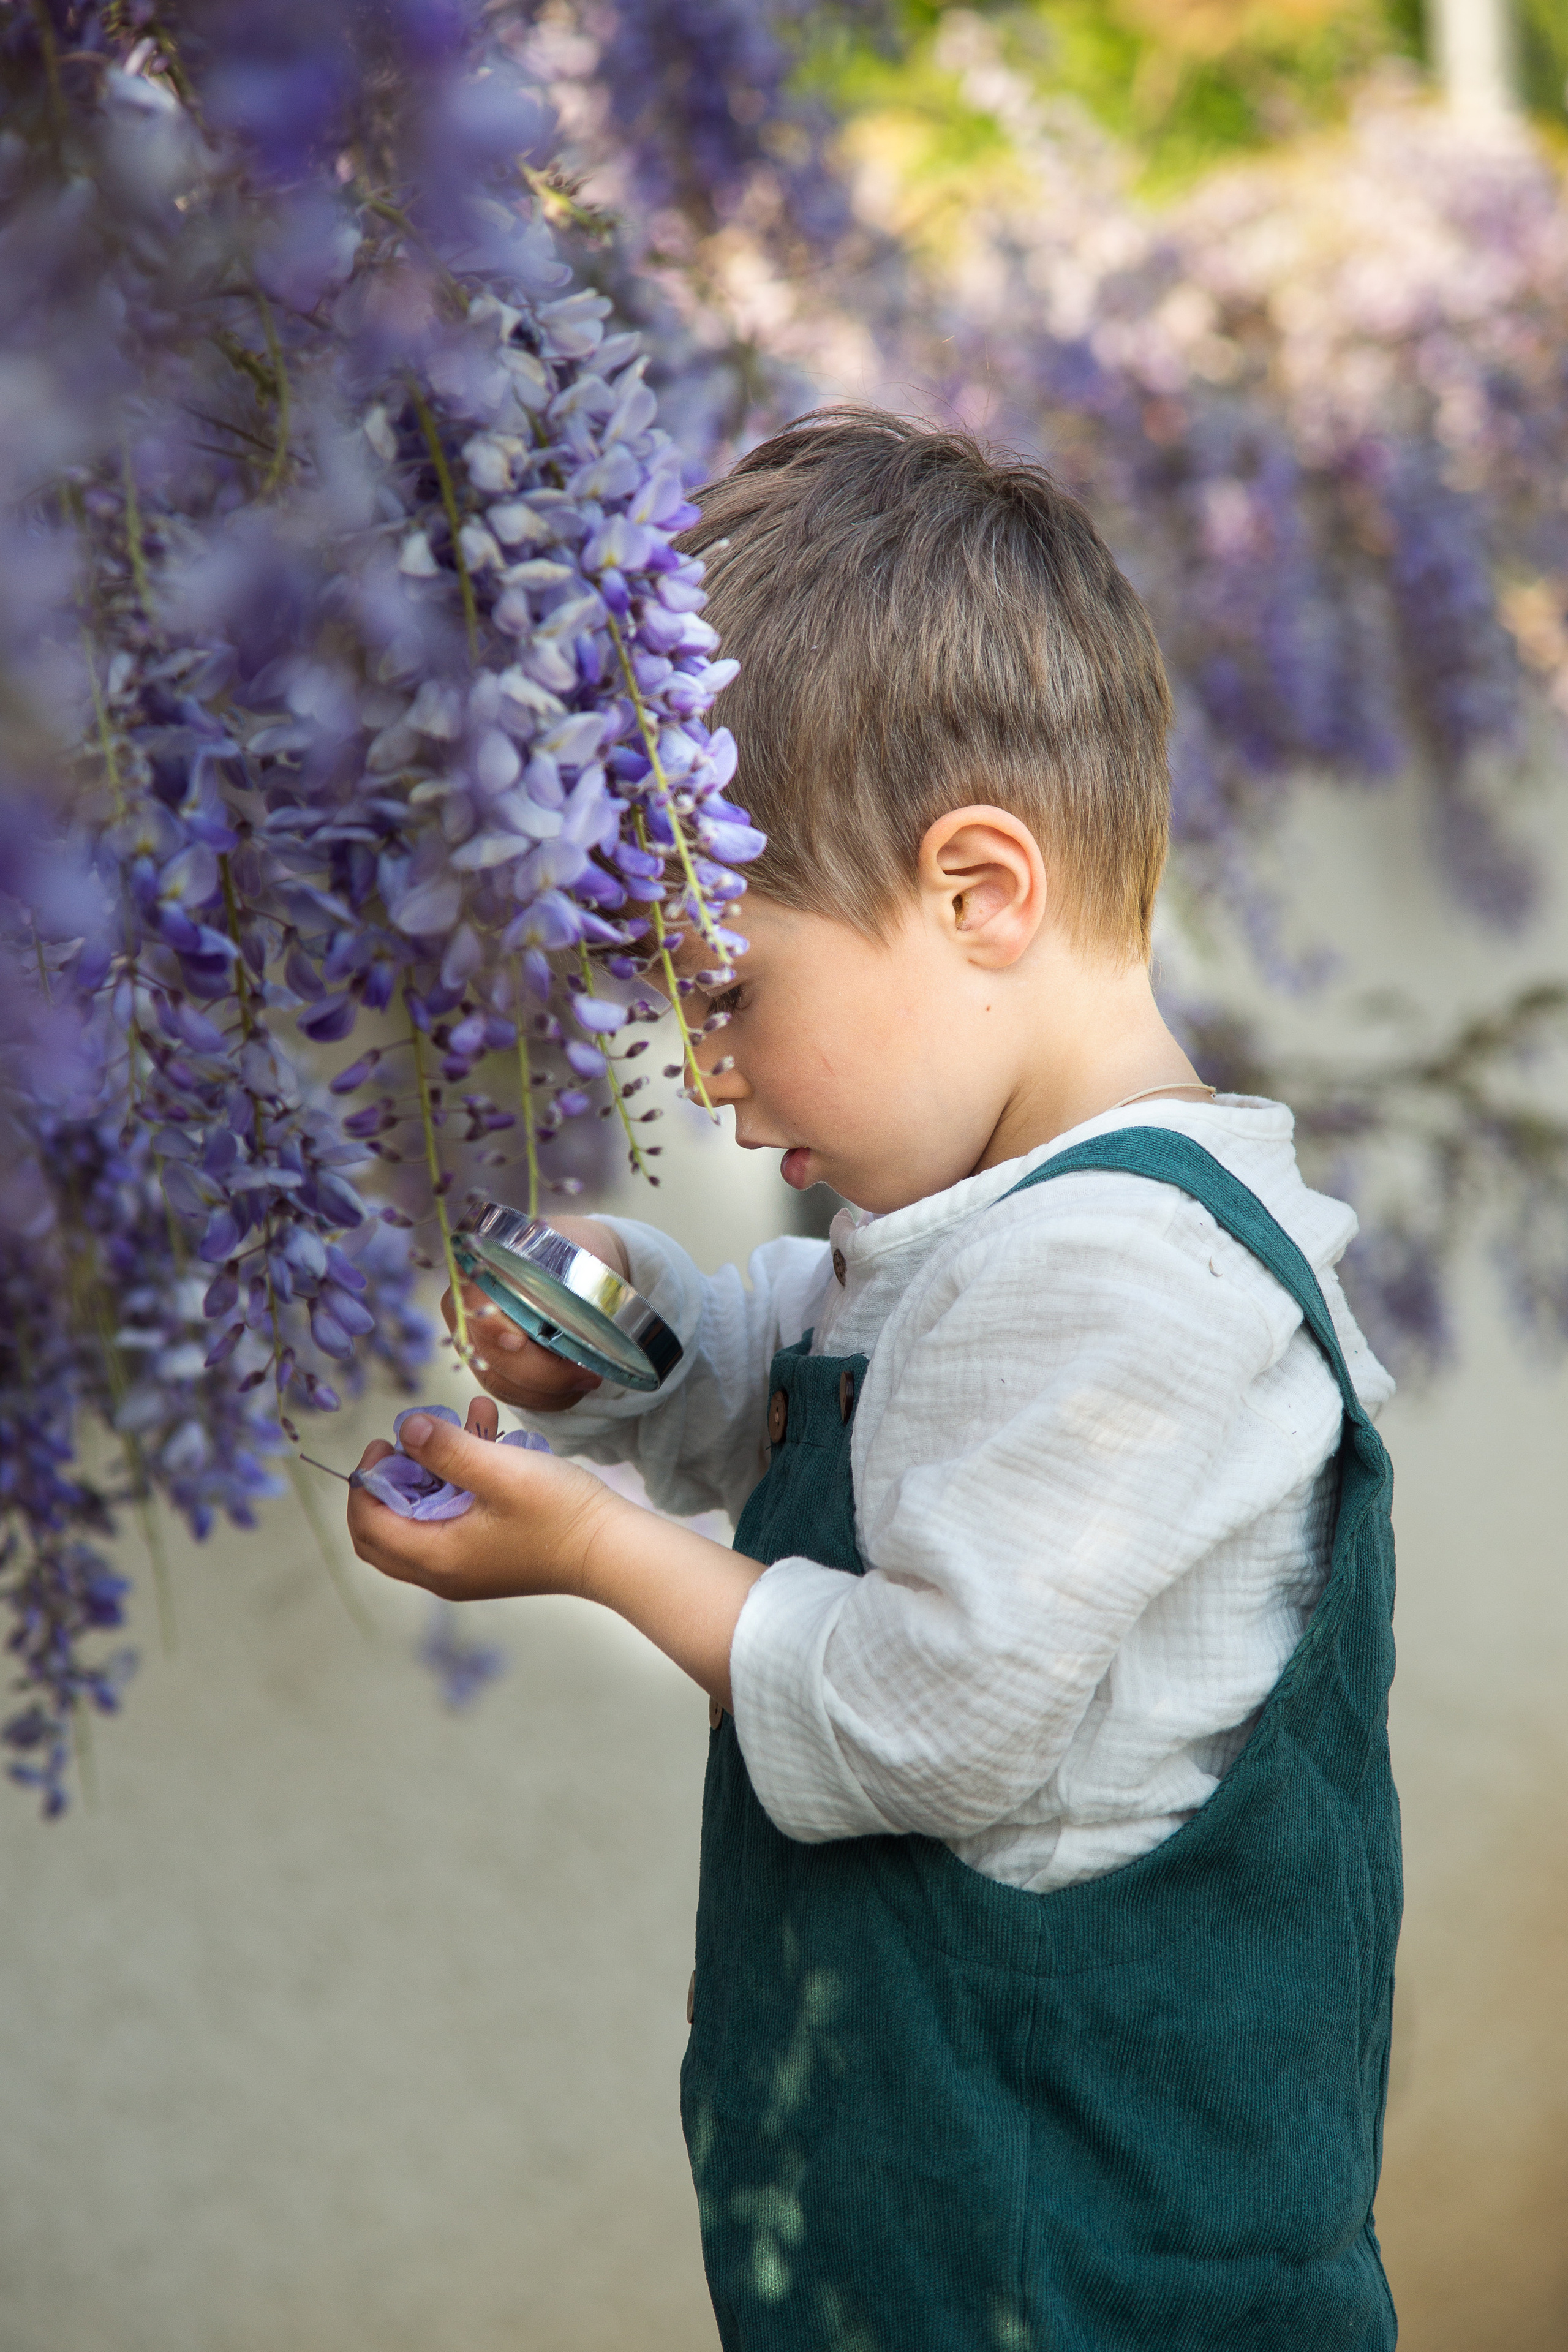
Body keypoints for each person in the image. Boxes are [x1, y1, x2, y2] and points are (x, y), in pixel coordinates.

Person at [347, 411, 1402, 2351]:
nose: (714, 1071)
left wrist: (590, 1547)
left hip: (1093, 2273)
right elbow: (803, 1381)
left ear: (980, 891)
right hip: (922, 2236)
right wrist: (629, 1345)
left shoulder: (1118, 1272)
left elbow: (929, 1718)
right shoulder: (996, 1231)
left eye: (731, 989)